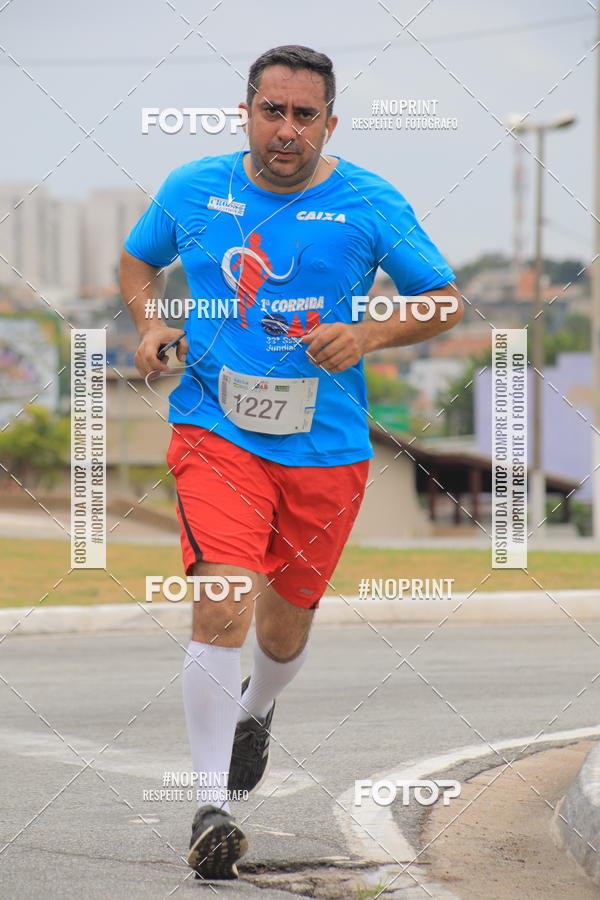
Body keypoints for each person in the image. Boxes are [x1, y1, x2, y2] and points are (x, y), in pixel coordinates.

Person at [120, 44, 463, 882]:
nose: (286, 129)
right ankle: (211, 809)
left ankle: (259, 709)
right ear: (245, 113)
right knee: (223, 596)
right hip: (215, 431)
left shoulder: (369, 202)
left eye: (304, 115)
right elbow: (139, 260)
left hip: (328, 448)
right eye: (271, 110)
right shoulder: (193, 188)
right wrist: (148, 323)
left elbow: (445, 296)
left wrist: (373, 332)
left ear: (329, 123)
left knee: (286, 620)